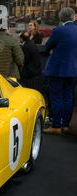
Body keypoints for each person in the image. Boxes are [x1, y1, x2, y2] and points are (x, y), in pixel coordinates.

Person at [43, 7, 77, 135]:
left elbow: (47, 47)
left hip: (57, 69)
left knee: (56, 97)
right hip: (73, 70)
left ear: (61, 17)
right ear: (73, 17)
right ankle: (66, 125)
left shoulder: (59, 30)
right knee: (68, 96)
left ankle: (56, 126)